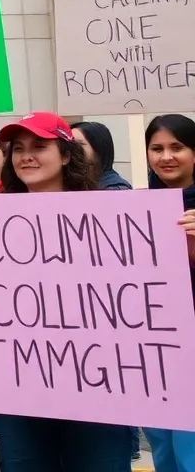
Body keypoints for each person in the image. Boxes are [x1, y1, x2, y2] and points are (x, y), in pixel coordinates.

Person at [0, 111, 133, 472]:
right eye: (18, 148)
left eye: (39, 146)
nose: (26, 155)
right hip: (20, 385)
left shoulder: (111, 216)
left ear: (65, 154)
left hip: (99, 384)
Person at [143, 113, 195, 472]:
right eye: (156, 148)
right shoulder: (136, 208)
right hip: (154, 351)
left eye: (177, 147)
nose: (166, 156)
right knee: (164, 449)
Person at [73, 121, 131, 190]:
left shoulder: (115, 188)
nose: (72, 149)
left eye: (79, 144)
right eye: (70, 144)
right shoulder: (75, 182)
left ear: (98, 149)